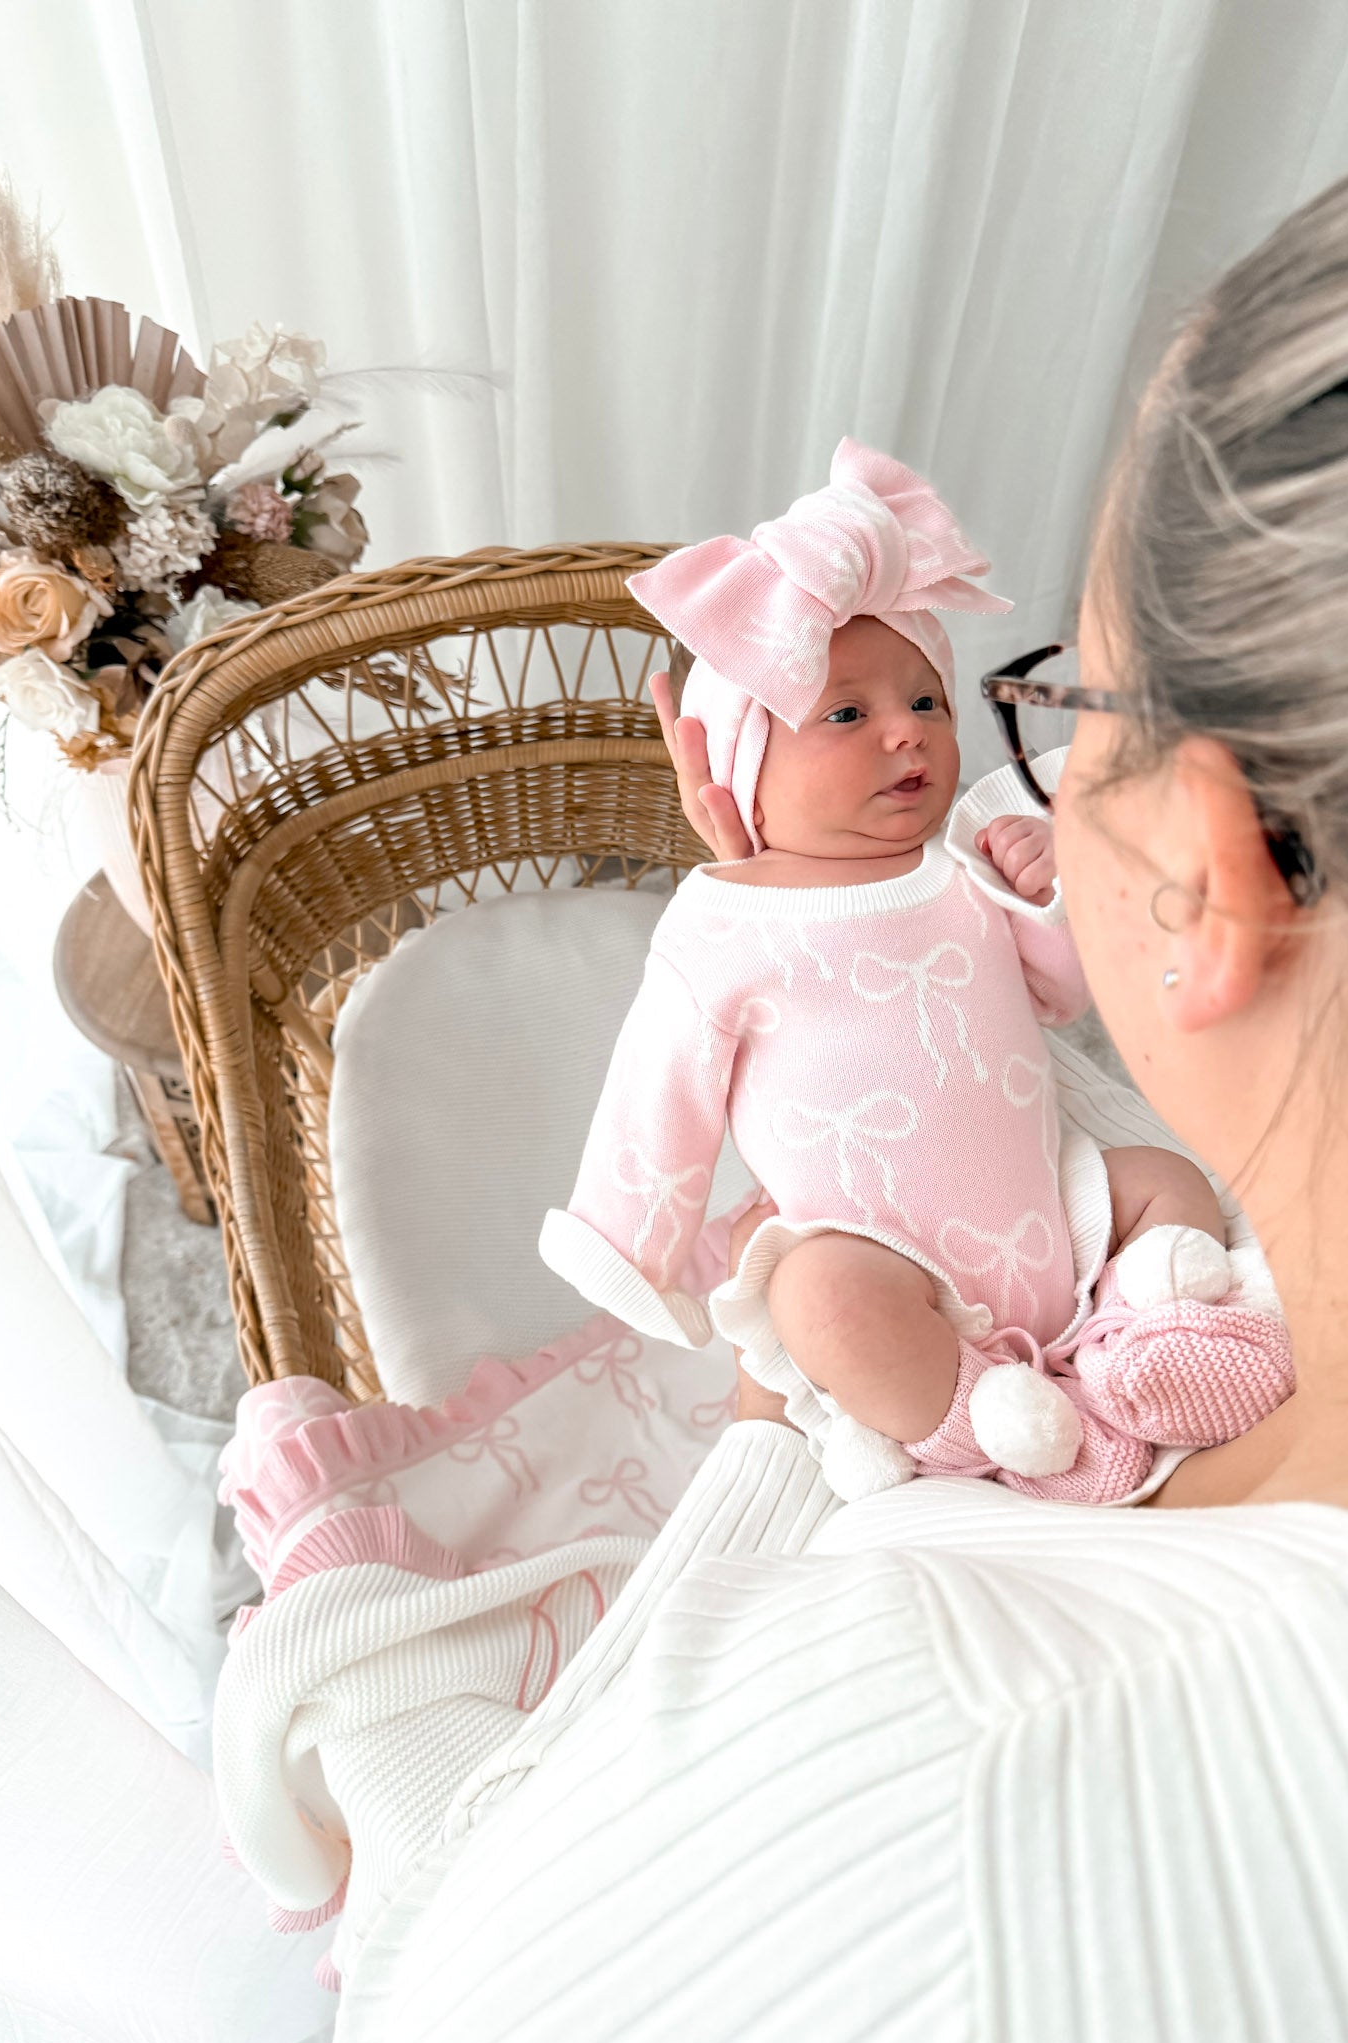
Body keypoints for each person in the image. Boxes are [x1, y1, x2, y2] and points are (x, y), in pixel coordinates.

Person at [335, 111, 1348, 2043]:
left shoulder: (913, 1786)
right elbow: (659, 1116)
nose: (939, 750)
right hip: (952, 1324)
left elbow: (433, 1983)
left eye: (1047, 702)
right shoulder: (729, 940)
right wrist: (659, 1257)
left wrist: (763, 1479)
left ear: (1202, 870)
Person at [542, 438, 1289, 1505]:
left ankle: (1146, 1333)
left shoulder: (965, 864)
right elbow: (656, 1090)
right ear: (750, 771)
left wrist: (1039, 893)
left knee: (1161, 1178)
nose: (907, 733)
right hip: (892, 1262)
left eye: (927, 700)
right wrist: (630, 1243)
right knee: (819, 1299)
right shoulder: (727, 922)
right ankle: (984, 1421)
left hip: (1045, 1211)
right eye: (847, 714)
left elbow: (1059, 997)